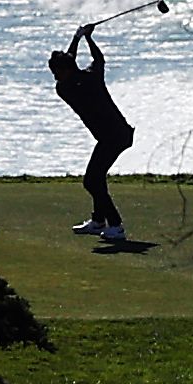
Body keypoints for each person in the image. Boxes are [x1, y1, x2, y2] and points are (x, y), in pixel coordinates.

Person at [53, 24, 134, 243]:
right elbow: (98, 60)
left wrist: (79, 37)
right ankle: (98, 221)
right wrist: (85, 38)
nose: (54, 75)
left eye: (57, 71)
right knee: (96, 178)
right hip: (115, 134)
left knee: (91, 181)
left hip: (115, 136)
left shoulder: (66, 87)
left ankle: (115, 226)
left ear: (67, 71)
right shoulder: (89, 77)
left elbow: (74, 60)